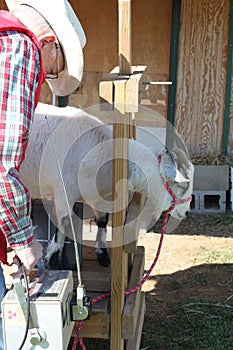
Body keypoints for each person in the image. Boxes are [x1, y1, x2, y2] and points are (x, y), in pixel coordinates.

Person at [0, 1, 86, 348]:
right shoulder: (20, 46)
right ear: (49, 42)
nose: (48, 78)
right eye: (53, 69)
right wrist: (23, 239)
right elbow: (2, 162)